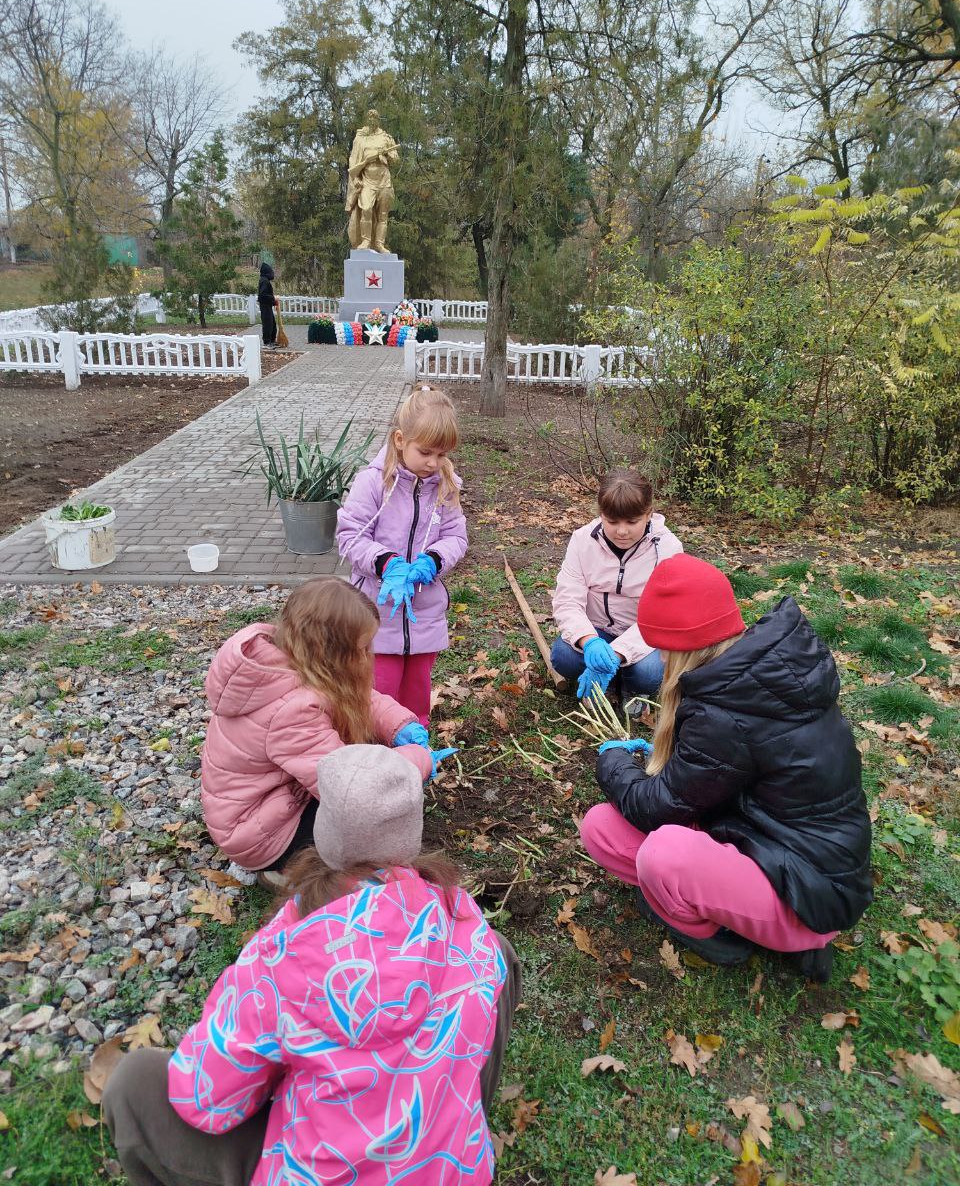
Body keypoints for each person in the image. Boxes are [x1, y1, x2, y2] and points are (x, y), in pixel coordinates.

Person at [103, 744, 522, 1186]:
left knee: (135, 1083)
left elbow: (206, 1102)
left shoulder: (279, 959)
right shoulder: (467, 926)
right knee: (501, 951)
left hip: (321, 1171)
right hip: (444, 1172)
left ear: (324, 831)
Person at [580, 554, 873, 982]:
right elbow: (700, 785)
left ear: (683, 647)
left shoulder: (726, 712)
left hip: (810, 887)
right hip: (756, 840)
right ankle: (717, 906)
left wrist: (612, 759)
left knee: (664, 857)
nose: (660, 660)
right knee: (600, 827)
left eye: (663, 649)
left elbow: (658, 807)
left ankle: (738, 936)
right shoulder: (745, 674)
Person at [200, 577, 449, 881]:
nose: (365, 657)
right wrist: (417, 759)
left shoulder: (289, 659)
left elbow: (364, 699)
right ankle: (284, 870)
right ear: (330, 653)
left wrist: (400, 725)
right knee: (373, 812)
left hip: (268, 803)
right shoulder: (292, 710)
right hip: (261, 833)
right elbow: (351, 789)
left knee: (379, 761)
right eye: (360, 650)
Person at [336, 386, 467, 725]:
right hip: (376, 615)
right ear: (399, 440)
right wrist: (386, 562)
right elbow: (350, 536)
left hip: (424, 613)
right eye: (425, 452)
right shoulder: (373, 483)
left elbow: (455, 535)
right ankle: (378, 752)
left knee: (417, 693)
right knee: (380, 692)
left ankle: (414, 750)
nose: (434, 463)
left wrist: (434, 560)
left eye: (442, 454)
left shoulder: (445, 485)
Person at [550, 470, 683, 701]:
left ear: (648, 514)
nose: (622, 531)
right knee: (563, 657)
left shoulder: (668, 549)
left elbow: (663, 616)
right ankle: (612, 676)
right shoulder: (582, 541)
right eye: (612, 521)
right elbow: (567, 600)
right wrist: (589, 640)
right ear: (601, 514)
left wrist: (619, 652)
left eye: (632, 522)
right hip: (597, 631)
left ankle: (626, 681)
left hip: (644, 637)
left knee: (650, 675)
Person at [345, 109, 400, 254]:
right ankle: (366, 241)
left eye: (375, 118)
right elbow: (354, 161)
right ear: (367, 120)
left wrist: (387, 152)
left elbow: (395, 158)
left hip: (384, 179)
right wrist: (356, 178)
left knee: (383, 215)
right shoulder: (360, 138)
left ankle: (380, 244)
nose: (372, 121)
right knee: (366, 209)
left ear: (378, 120)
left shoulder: (386, 137)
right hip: (367, 179)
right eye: (369, 119)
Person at [257, 261, 277, 345]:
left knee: (272, 323)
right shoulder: (264, 281)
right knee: (267, 323)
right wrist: (273, 299)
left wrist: (272, 301)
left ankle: (271, 340)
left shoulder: (264, 280)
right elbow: (263, 295)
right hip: (265, 306)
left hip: (267, 305)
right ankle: (267, 341)